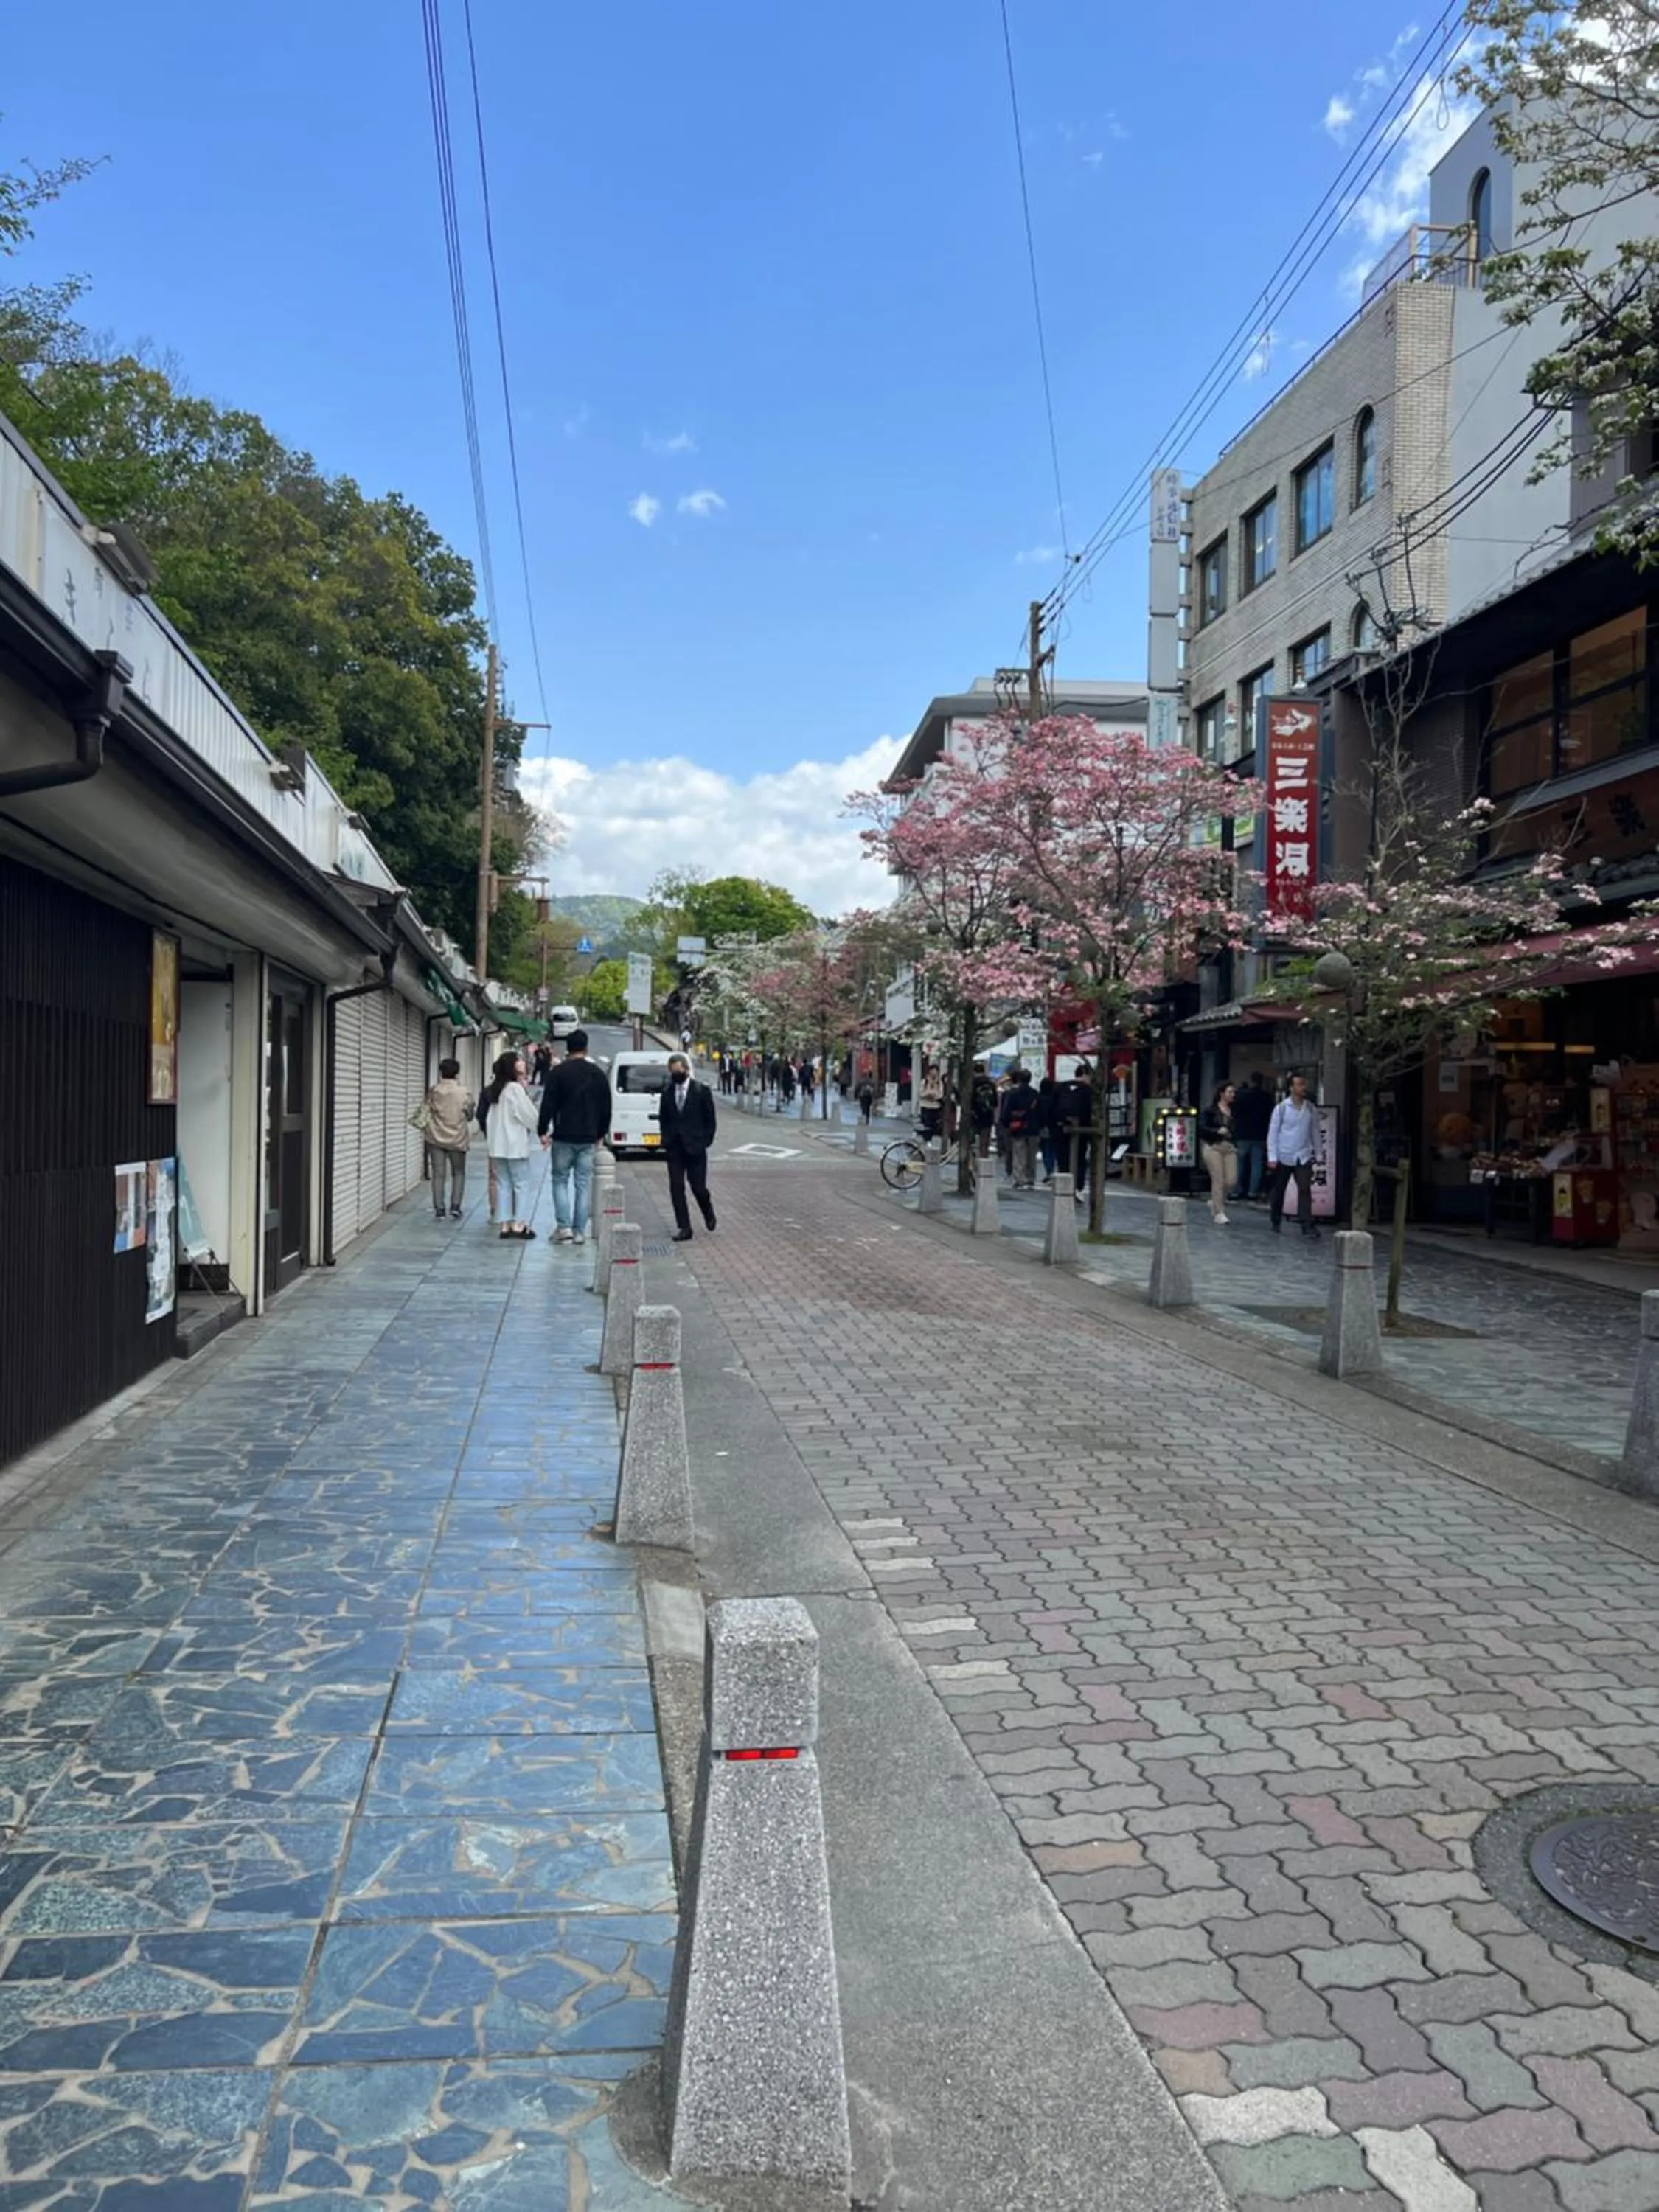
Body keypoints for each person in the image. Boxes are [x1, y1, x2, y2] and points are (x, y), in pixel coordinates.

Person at [537, 1029, 612, 1246]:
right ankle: (579, 1231)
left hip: (563, 1135)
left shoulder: (558, 1073)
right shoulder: (597, 1074)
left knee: (560, 1180)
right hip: (588, 1136)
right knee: (582, 1184)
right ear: (586, 1048)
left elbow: (548, 1104)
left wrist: (543, 1130)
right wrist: (600, 1133)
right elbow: (606, 1107)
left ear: (567, 1048)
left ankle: (564, 1227)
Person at [659, 1051, 717, 1240]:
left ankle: (707, 1210)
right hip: (675, 1147)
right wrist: (666, 1139)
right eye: (672, 1072)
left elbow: (710, 1120)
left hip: (695, 1147)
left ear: (686, 1069)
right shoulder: (667, 1092)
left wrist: (705, 1141)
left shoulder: (701, 1091)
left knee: (698, 1187)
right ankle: (684, 1227)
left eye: (678, 1071)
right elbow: (664, 1119)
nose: (676, 1075)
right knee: (676, 1187)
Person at [482, 1050, 540, 1239]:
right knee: (521, 1184)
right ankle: (519, 1224)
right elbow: (528, 1115)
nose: (522, 1062)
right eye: (518, 1060)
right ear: (512, 1067)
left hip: (497, 1146)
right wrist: (542, 1131)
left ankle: (505, 1224)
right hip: (514, 1145)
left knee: (503, 1185)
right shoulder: (514, 1089)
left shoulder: (495, 1090)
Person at [1268, 1071, 1322, 1239]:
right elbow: (1273, 1132)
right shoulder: (1282, 1108)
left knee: (1305, 1188)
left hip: (1303, 1154)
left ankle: (1307, 1223)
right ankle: (1275, 1219)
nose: (1302, 1088)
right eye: (1299, 1085)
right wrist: (1272, 1156)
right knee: (1279, 1189)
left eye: (1304, 1084)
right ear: (1291, 1088)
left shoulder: (1310, 1109)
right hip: (1284, 1153)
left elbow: (1315, 1132)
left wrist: (1318, 1153)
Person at [423, 1057, 475, 1220]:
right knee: (458, 1172)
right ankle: (455, 1207)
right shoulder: (464, 1092)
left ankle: (439, 1208)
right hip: (457, 1138)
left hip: (435, 1137)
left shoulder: (434, 1091)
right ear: (457, 1073)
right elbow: (470, 1116)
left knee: (438, 1174)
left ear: (441, 1072)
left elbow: (427, 1110)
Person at [1198, 1082, 1238, 1227]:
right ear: (1221, 1093)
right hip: (1213, 1146)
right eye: (1230, 1092)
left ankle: (1215, 1201)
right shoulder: (1210, 1111)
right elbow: (1202, 1127)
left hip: (1229, 1147)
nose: (1232, 1095)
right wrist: (1216, 1131)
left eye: (1233, 1092)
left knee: (1231, 1180)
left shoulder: (1235, 1111)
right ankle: (1219, 1212)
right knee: (1218, 1178)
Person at [1231, 1071, 1272, 1202]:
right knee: (1257, 1165)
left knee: (1239, 1164)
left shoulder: (1241, 1096)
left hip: (1242, 1134)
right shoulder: (1266, 1097)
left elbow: (1234, 1114)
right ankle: (1253, 1192)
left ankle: (1236, 1191)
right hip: (1260, 1134)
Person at [998, 1066, 1040, 1189]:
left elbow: (1006, 1112)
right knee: (1031, 1154)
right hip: (1033, 1126)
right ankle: (1030, 1178)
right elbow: (1040, 1111)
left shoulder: (1012, 1094)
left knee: (1019, 1152)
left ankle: (1019, 1178)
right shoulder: (1034, 1094)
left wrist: (1006, 1123)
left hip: (1017, 1126)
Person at [1036, 1074, 1061, 1182]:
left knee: (1046, 1151)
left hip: (1042, 1127)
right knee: (1054, 1150)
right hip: (1054, 1127)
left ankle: (1049, 1171)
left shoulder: (1039, 1099)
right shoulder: (1055, 1099)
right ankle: (1054, 1170)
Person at [917, 1062, 945, 1141]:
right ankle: (926, 1139)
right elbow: (921, 1094)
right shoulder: (924, 1082)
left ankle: (930, 1139)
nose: (933, 1073)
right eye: (932, 1070)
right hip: (925, 1106)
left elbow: (940, 1095)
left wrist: (934, 1095)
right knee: (926, 1125)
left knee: (934, 1126)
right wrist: (928, 1094)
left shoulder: (939, 1083)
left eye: (935, 1071)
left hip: (935, 1107)